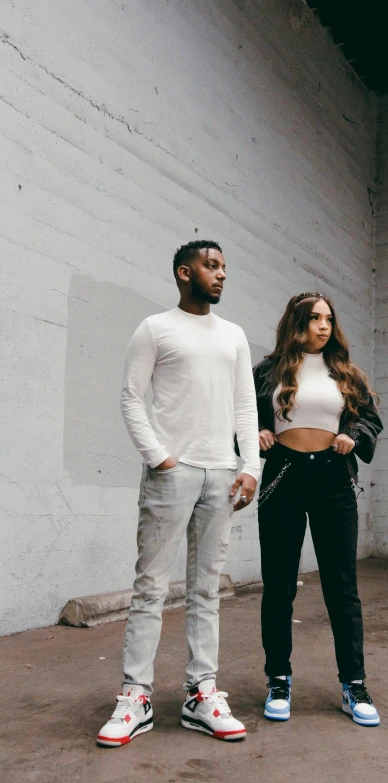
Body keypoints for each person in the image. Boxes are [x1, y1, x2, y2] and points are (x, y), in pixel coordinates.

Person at [97, 240, 260, 746]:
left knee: (206, 589)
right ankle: (135, 696)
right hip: (173, 474)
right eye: (212, 266)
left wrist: (250, 465)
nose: (221, 275)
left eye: (224, 268)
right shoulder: (155, 328)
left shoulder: (233, 335)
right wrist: (159, 458)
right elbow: (131, 397)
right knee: (150, 587)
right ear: (183, 272)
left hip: (221, 474)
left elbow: (245, 407)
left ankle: (201, 693)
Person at [253, 292, 383, 727]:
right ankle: (278, 678)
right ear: (296, 323)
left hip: (332, 479)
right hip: (283, 478)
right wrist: (257, 432)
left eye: (328, 319)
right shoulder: (268, 372)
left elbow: (370, 420)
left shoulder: (346, 374)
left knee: (341, 588)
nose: (323, 326)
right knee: (279, 585)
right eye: (313, 319)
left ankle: (354, 683)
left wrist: (353, 435)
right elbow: (239, 416)